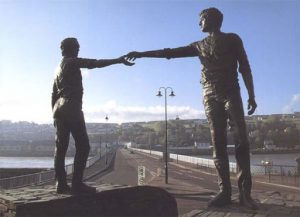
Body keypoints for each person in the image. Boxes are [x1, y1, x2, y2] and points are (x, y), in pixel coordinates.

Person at [126, 7, 258, 209]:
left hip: (231, 92)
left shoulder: (233, 39)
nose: (199, 24)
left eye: (201, 19)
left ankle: (244, 194)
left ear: (211, 19)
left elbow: (245, 67)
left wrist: (251, 95)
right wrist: (142, 54)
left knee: (242, 141)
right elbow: (169, 53)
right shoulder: (198, 45)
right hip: (209, 95)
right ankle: (224, 191)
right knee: (218, 143)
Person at [52, 37, 133, 195]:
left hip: (58, 108)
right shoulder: (71, 62)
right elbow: (95, 63)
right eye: (77, 47)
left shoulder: (57, 69)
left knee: (60, 148)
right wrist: (118, 60)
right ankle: (76, 184)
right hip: (71, 106)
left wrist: (54, 113)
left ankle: (60, 183)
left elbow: (53, 94)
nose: (78, 50)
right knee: (84, 146)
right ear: (70, 48)